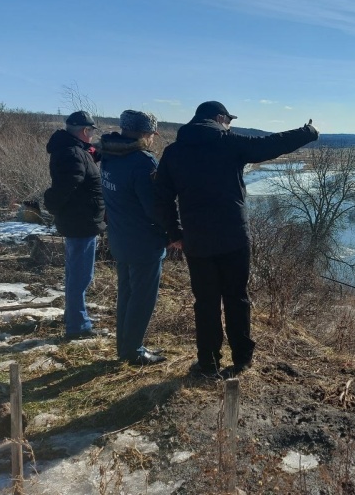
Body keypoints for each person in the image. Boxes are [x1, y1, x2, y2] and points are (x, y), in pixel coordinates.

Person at [154, 101, 318, 378]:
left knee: (205, 303)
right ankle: (242, 359)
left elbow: (161, 198)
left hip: (197, 241)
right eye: (228, 120)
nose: (229, 124)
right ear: (220, 118)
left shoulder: (173, 152)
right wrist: (308, 132)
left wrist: (175, 233)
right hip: (233, 237)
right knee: (237, 299)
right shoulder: (227, 143)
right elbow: (270, 144)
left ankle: (208, 364)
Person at [100, 110, 167, 365]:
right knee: (142, 297)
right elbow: (154, 207)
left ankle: (125, 345)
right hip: (143, 242)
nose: (152, 139)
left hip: (119, 236)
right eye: (152, 134)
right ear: (145, 134)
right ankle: (134, 350)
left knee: (127, 294)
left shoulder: (110, 154)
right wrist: (171, 232)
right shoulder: (143, 162)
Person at [43, 111, 107, 340]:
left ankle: (73, 317)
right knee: (80, 276)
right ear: (84, 131)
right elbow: (68, 184)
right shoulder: (73, 153)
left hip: (78, 220)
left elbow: (88, 159)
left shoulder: (74, 149)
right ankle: (78, 327)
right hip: (81, 222)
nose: (91, 136)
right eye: (91, 131)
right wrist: (51, 203)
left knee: (75, 274)